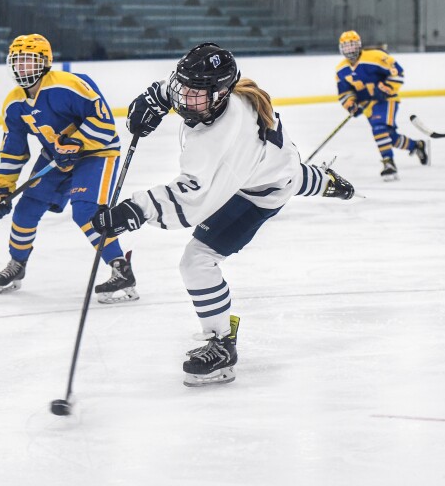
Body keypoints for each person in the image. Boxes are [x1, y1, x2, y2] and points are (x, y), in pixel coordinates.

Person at [89, 42, 356, 386]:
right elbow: (183, 88)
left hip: (257, 192)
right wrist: (156, 97)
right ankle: (325, 180)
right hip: (273, 166)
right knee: (291, 174)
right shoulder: (221, 96)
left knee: (196, 261)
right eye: (180, 88)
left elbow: (191, 200)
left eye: (195, 93)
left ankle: (222, 345)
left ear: (220, 94)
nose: (184, 98)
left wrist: (132, 211)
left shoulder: (223, 138)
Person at [0, 34, 139, 303]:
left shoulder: (68, 85)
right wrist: (2, 189)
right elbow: (12, 151)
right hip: (55, 157)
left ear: (44, 63)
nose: (22, 68)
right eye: (17, 62)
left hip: (96, 153)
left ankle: (120, 268)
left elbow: (104, 124)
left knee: (86, 212)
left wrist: (76, 142)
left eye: (29, 62)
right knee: (25, 210)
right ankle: (17, 264)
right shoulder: (14, 103)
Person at [336, 30, 428, 180]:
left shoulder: (375, 56)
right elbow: (344, 92)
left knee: (379, 128)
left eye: (352, 45)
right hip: (368, 106)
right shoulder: (341, 69)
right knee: (388, 137)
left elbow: (397, 72)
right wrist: (351, 105)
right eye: (346, 47)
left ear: (359, 46)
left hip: (387, 100)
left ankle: (388, 164)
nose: (350, 50)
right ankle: (416, 145)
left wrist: (386, 89)